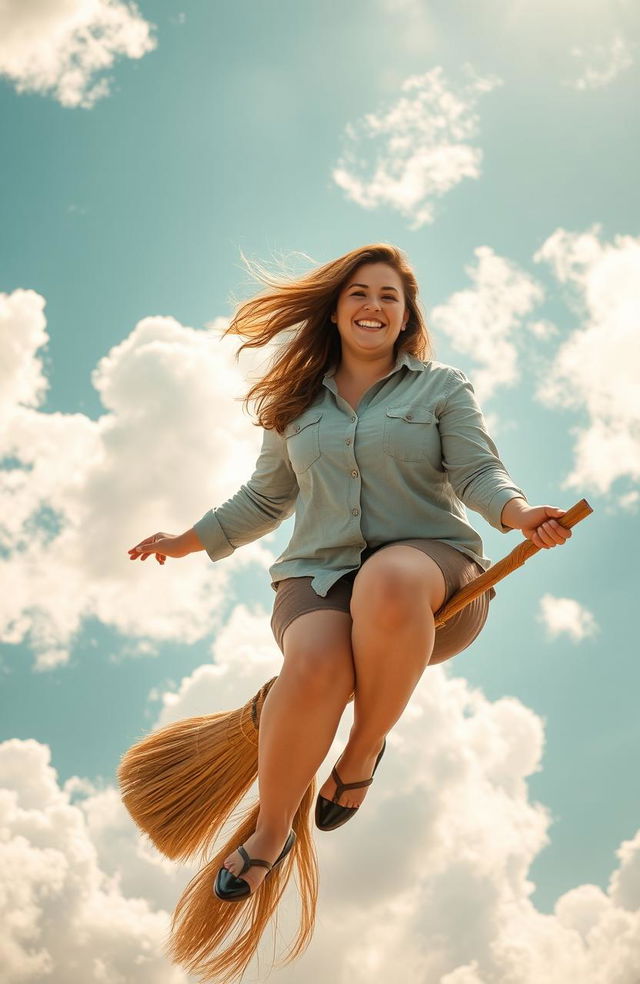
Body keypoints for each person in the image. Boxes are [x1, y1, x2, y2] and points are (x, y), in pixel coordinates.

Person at [127, 243, 570, 961]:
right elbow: (266, 497)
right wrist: (185, 540)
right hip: (319, 579)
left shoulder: (440, 387)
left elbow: (477, 470)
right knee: (314, 666)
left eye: (389, 297)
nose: (374, 305)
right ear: (336, 310)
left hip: (432, 579)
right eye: (360, 293)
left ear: (406, 316)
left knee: (387, 580)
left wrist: (518, 515)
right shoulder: (296, 404)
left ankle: (361, 752)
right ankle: (270, 832)